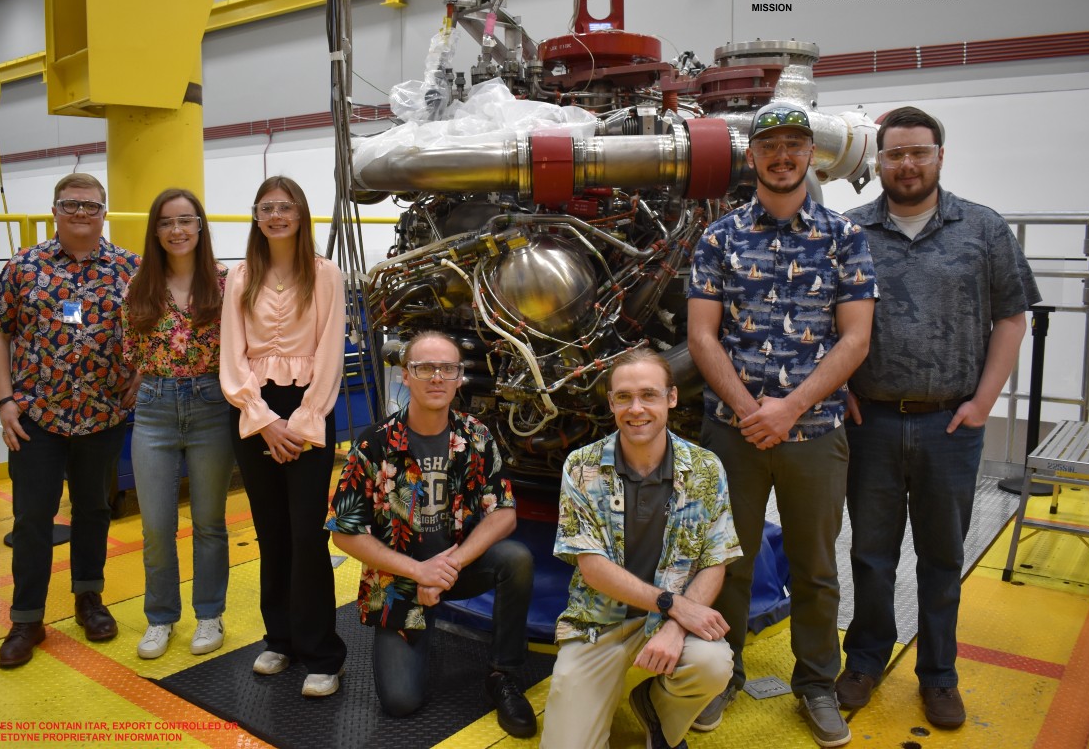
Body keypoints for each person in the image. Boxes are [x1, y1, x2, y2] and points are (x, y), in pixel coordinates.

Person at [835, 107, 1039, 729]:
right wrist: (835, 386)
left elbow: (1012, 316)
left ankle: (939, 675)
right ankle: (865, 660)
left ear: (939, 156)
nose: (906, 164)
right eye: (894, 154)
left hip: (950, 425)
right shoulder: (850, 231)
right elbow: (820, 316)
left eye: (918, 152)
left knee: (942, 556)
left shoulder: (983, 229)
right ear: (878, 161)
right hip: (868, 421)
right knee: (870, 554)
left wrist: (984, 402)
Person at [687, 104, 876, 747]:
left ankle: (817, 684)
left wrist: (789, 408)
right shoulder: (718, 238)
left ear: (812, 156)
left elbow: (855, 340)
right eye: (770, 145)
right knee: (726, 561)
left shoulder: (844, 238)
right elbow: (702, 336)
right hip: (732, 432)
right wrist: (749, 410)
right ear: (752, 157)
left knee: (815, 565)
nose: (783, 155)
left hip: (815, 432)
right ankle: (722, 672)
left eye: (796, 144)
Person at [326, 330, 537, 738]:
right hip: (401, 583)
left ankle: (503, 674)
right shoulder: (373, 444)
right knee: (400, 703)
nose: (436, 377)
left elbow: (504, 514)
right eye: (425, 368)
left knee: (517, 559)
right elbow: (344, 532)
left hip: (456, 569)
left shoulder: (475, 436)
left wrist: (449, 564)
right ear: (406, 376)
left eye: (448, 368)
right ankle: (416, 631)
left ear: (460, 378)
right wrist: (417, 572)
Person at [541, 348, 740, 749]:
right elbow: (592, 567)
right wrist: (674, 605)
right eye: (624, 397)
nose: (636, 409)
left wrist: (675, 624)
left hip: (669, 623)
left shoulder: (705, 468)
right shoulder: (582, 467)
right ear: (611, 402)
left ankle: (656, 710)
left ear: (671, 398)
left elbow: (715, 561)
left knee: (714, 663)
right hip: (599, 626)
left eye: (648, 395)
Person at [0, 172, 140, 668]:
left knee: (93, 510)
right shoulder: (24, 267)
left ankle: (89, 600)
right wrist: (5, 401)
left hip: (103, 413)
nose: (80, 213)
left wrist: (140, 373)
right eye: (70, 205)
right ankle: (26, 618)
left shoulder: (128, 269)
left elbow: (154, 327)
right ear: (54, 210)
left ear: (104, 212)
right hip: (36, 418)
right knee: (32, 518)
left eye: (90, 206)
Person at [220, 175, 347, 697]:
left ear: (301, 214)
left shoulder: (326, 275)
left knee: (306, 534)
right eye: (266, 207)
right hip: (255, 411)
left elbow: (330, 353)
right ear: (256, 216)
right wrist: (263, 418)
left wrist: (301, 420)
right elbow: (231, 354)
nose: (276, 215)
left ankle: (322, 652)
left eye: (286, 206)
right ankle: (279, 638)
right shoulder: (239, 278)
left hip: (308, 411)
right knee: (270, 532)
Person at [123, 188, 234, 660]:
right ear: (155, 231)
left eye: (186, 220)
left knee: (210, 521)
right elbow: (130, 348)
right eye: (166, 222)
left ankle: (209, 614)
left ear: (200, 226)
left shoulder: (227, 282)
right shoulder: (138, 284)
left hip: (212, 404)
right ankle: (161, 618)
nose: (177, 230)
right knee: (156, 526)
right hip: (154, 408)